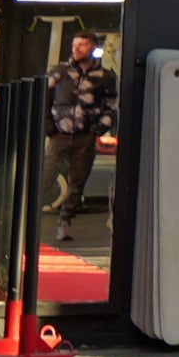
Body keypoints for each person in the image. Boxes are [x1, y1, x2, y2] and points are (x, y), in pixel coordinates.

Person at [44, 31, 118, 242]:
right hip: (59, 134)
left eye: (82, 45)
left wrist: (99, 129)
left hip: (86, 136)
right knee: (45, 176)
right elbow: (44, 99)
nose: (76, 49)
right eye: (74, 44)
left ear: (93, 47)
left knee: (77, 182)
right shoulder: (59, 72)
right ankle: (26, 217)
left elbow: (112, 106)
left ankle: (64, 221)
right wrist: (49, 127)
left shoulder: (105, 77)